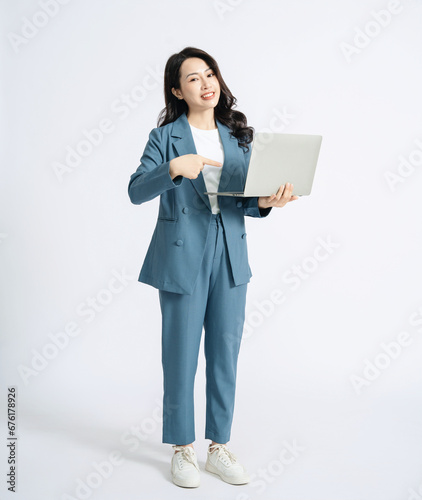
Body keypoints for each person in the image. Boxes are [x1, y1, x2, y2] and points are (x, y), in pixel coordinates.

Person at [127, 46, 298, 488]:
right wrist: (172, 169)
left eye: (210, 75)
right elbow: (134, 191)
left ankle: (218, 446)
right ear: (177, 91)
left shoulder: (238, 138)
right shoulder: (165, 137)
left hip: (229, 252)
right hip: (183, 253)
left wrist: (266, 201)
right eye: (193, 79)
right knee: (180, 354)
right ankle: (182, 448)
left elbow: (242, 200)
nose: (206, 84)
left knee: (226, 352)